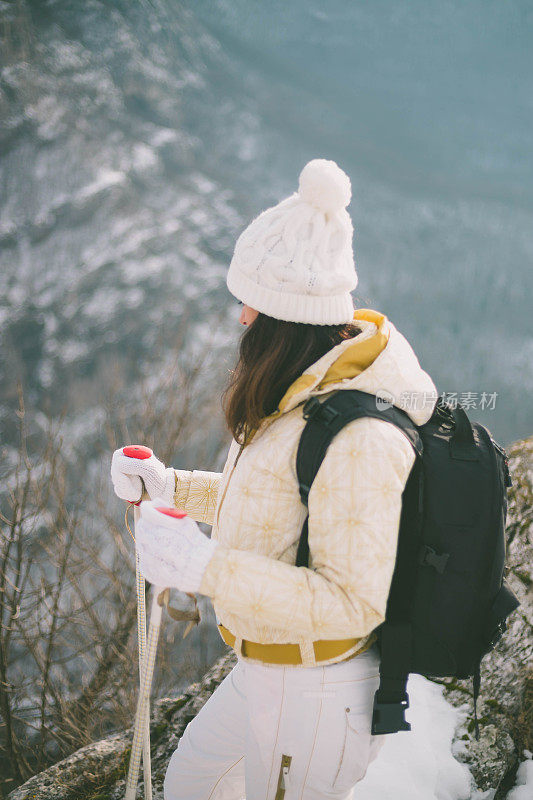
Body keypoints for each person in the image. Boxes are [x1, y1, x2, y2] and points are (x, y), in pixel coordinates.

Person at [111, 158, 439, 800]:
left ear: (285, 316)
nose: (241, 320)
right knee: (186, 786)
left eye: (251, 305)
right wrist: (172, 487)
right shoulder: (303, 391)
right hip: (263, 666)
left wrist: (203, 567)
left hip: (316, 689)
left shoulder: (359, 432)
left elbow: (353, 602)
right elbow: (280, 505)